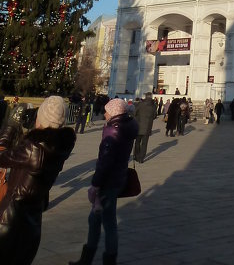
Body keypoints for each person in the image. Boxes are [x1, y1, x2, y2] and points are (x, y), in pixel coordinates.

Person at [0, 96, 75, 265]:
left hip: (9, 221)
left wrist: (10, 126)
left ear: (41, 118)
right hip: (32, 224)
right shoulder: (61, 146)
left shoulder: (33, 149)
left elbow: (2, 155)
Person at [69, 98, 138, 265]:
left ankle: (104, 259)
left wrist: (95, 184)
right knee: (95, 220)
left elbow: (105, 161)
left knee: (108, 223)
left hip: (108, 182)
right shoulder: (128, 127)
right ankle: (88, 258)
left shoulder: (113, 131)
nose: (105, 113)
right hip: (118, 178)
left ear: (114, 112)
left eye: (107, 110)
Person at [133, 92, 155, 163]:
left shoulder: (140, 104)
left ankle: (136, 156)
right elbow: (154, 116)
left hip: (139, 126)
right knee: (144, 144)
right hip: (148, 127)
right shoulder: (153, 106)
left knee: (137, 142)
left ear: (145, 96)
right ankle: (141, 158)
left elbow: (134, 113)